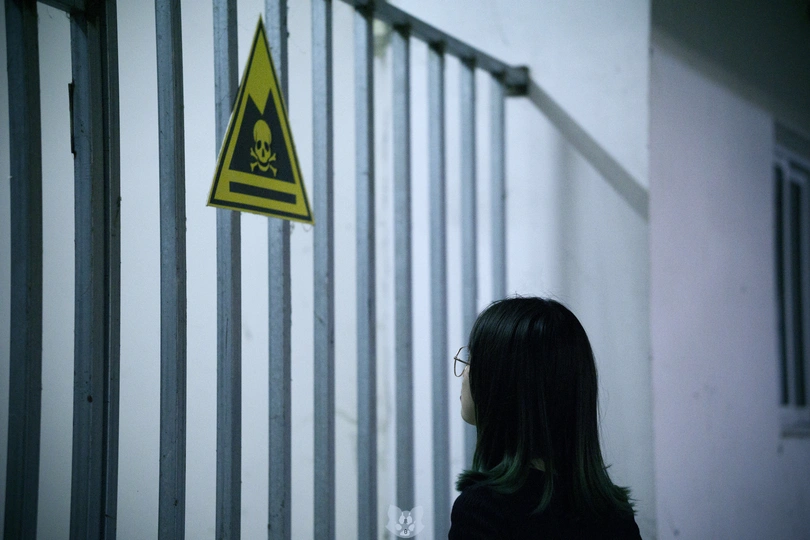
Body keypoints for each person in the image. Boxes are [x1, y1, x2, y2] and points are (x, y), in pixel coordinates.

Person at [449, 297, 641, 539]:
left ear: (504, 385)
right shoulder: (615, 513)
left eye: (472, 359)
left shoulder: (483, 511)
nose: (464, 372)